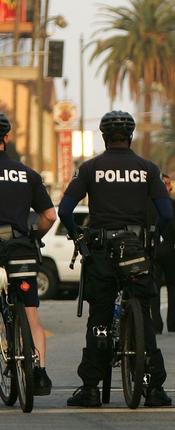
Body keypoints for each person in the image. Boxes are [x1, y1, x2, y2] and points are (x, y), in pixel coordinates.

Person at [58, 110, 173, 407]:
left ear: (104, 136)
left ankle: (91, 388)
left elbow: (64, 211)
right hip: (135, 248)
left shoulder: (90, 168)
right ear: (130, 136)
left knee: (99, 316)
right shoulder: (147, 168)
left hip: (101, 250)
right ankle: (155, 388)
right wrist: (152, 238)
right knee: (143, 313)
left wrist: (77, 237)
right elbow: (167, 213)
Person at [0, 112, 57, 396]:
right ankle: (41, 372)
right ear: (6, 138)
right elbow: (49, 215)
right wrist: (34, 237)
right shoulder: (27, 174)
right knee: (31, 314)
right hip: (20, 249)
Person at [151, 174, 175, 334]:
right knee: (172, 286)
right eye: (167, 184)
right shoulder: (171, 204)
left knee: (155, 287)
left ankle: (156, 325)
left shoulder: (148, 202)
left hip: (153, 249)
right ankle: (172, 324)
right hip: (169, 249)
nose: (171, 187)